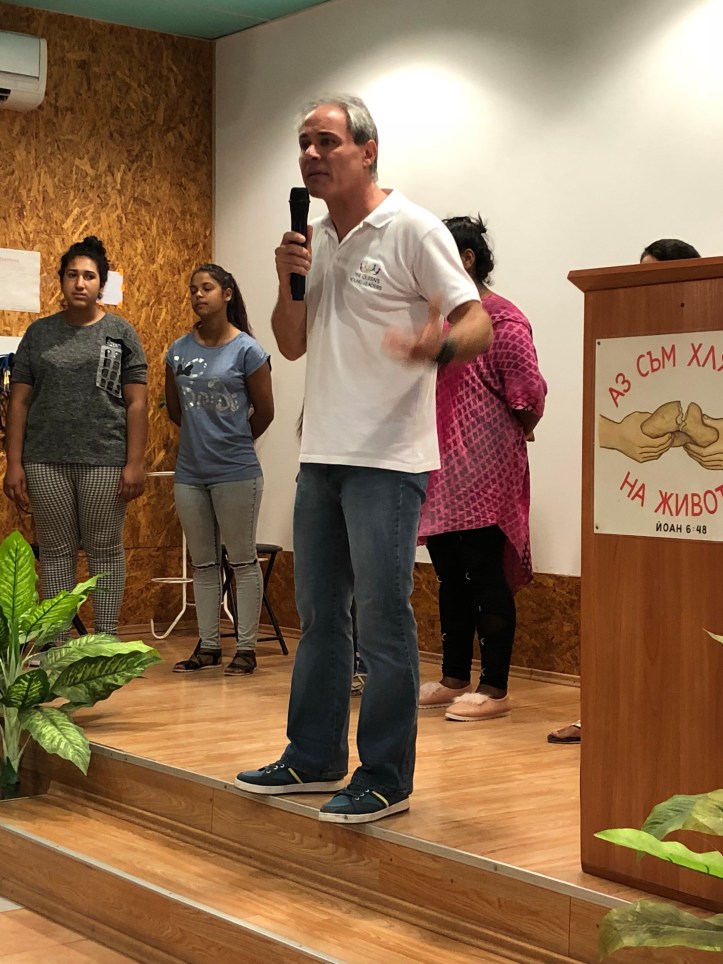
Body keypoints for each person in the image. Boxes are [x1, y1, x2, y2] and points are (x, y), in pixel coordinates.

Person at [234, 94, 492, 823]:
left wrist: (433, 345)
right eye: (303, 143)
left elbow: (476, 322)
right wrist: (287, 279)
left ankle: (384, 776)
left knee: (382, 618)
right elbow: (291, 343)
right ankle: (313, 756)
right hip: (321, 452)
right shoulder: (314, 237)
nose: (311, 155)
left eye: (326, 142)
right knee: (320, 615)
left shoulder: (411, 227)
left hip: (388, 457)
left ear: (367, 150)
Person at [549, 236, 701, 745]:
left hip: (699, 512)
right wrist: (617, 434)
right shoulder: (623, 337)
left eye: (651, 277)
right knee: (627, 616)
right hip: (634, 511)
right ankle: (604, 714)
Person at [418, 216, 547, 722]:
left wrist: (505, 433)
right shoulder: (440, 324)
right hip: (439, 470)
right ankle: (454, 677)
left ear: (466, 259)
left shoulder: (504, 321)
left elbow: (528, 397)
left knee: (484, 572)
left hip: (485, 472)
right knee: (450, 574)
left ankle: (495, 687)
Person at [3, 235, 147, 639]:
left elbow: (137, 403)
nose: (80, 283)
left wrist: (135, 463)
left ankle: (104, 640)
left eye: (89, 276)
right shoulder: (38, 333)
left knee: (104, 551)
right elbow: (19, 402)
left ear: (101, 284)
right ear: (61, 281)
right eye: (72, 275)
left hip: (105, 459)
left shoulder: (120, 332)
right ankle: (56, 643)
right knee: (55, 553)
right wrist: (13, 463)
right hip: (44, 461)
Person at [165, 263, 274, 676]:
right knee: (204, 562)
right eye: (193, 288)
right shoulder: (178, 351)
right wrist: (203, 438)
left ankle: (246, 648)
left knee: (242, 560)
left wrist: (232, 441)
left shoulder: (247, 350)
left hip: (237, 471)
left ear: (227, 294)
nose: (198, 295)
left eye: (207, 287)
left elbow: (265, 412)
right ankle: (208, 645)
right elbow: (175, 410)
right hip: (191, 473)